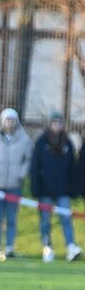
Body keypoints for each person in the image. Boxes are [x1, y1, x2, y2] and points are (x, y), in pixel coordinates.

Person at [0, 108, 33, 259]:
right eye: (7, 120)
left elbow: (29, 159)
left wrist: (21, 173)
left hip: (14, 186)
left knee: (11, 218)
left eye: (12, 120)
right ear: (2, 121)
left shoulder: (25, 140)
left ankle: (9, 248)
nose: (9, 123)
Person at [30, 112, 82, 262]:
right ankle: (47, 247)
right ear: (50, 124)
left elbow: (72, 168)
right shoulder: (41, 142)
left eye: (60, 123)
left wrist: (73, 189)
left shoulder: (67, 143)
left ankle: (71, 247)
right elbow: (35, 167)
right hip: (45, 191)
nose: (57, 126)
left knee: (66, 218)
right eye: (54, 123)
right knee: (45, 221)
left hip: (63, 190)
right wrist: (36, 188)